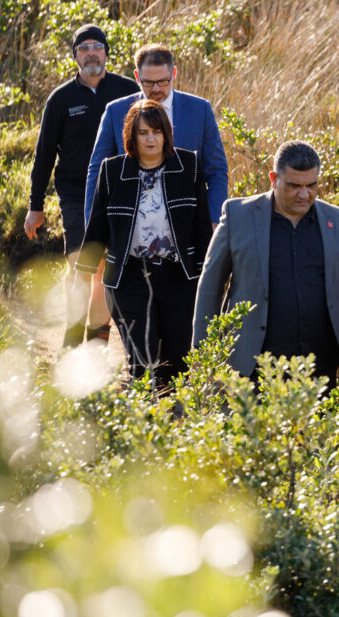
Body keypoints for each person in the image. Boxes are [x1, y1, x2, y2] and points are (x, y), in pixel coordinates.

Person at [191, 140, 339, 385]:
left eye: (311, 185)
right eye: (294, 186)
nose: (304, 194)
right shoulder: (238, 216)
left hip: (322, 364)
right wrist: (202, 350)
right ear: (274, 178)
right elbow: (210, 285)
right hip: (253, 366)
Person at [84, 43, 229, 346]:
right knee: (136, 334)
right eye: (148, 82)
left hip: (185, 234)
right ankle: (93, 349)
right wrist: (96, 231)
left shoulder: (199, 109)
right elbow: (98, 172)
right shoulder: (116, 111)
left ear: (174, 74)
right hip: (132, 238)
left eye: (163, 81)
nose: (156, 89)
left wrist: (216, 220)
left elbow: (216, 170)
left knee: (179, 336)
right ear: (136, 76)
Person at [76, 100, 213, 389]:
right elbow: (98, 222)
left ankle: (171, 418)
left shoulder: (189, 166)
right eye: (143, 132)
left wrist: (209, 271)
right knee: (141, 357)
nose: (151, 138)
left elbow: (201, 223)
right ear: (131, 136)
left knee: (177, 359)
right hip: (130, 276)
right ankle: (143, 417)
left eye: (156, 131)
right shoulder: (113, 171)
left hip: (179, 276)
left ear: (166, 134)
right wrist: (86, 269)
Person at [24, 24, 139, 346]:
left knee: (103, 267)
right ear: (75, 55)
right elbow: (44, 154)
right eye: (84, 47)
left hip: (119, 190)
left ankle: (98, 340)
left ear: (106, 52)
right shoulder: (61, 99)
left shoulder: (128, 91)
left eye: (97, 47)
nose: (91, 53)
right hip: (75, 193)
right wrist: (35, 207)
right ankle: (73, 338)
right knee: (79, 264)